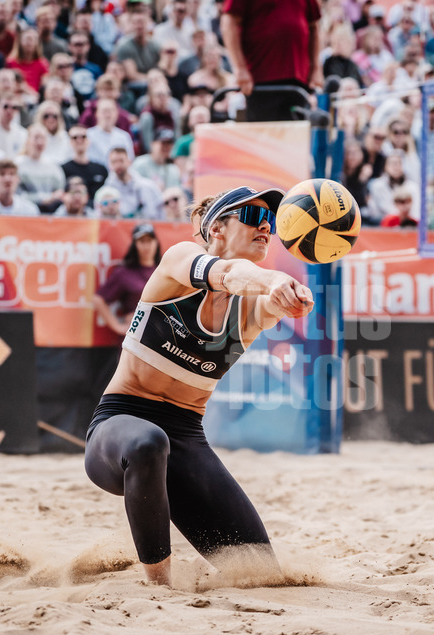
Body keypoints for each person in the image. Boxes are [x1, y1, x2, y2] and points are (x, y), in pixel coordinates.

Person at [83, 185, 314, 586]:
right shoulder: (179, 261)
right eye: (255, 218)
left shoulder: (252, 307)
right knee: (147, 442)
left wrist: (292, 295)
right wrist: (273, 277)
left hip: (188, 439)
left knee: (262, 575)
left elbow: (265, 297)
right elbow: (227, 274)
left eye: (271, 223)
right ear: (218, 230)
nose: (266, 229)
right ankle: (159, 586)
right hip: (119, 425)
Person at [220, 0, 322, 122]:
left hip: (299, 81)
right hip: (262, 80)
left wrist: (316, 68)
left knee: (297, 136)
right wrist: (239, 68)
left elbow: (314, 27)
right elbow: (230, 21)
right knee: (265, 137)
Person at [93, 222, 162, 336]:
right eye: (142, 241)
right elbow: (98, 299)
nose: (147, 246)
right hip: (135, 337)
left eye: (150, 240)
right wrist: (117, 326)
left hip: (160, 336)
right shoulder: (124, 272)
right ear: (135, 244)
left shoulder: (163, 270)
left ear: (156, 243)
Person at [62, 123, 108, 201]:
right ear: (70, 142)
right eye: (75, 137)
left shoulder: (101, 169)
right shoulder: (63, 169)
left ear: (89, 141)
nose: (79, 140)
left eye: (83, 137)